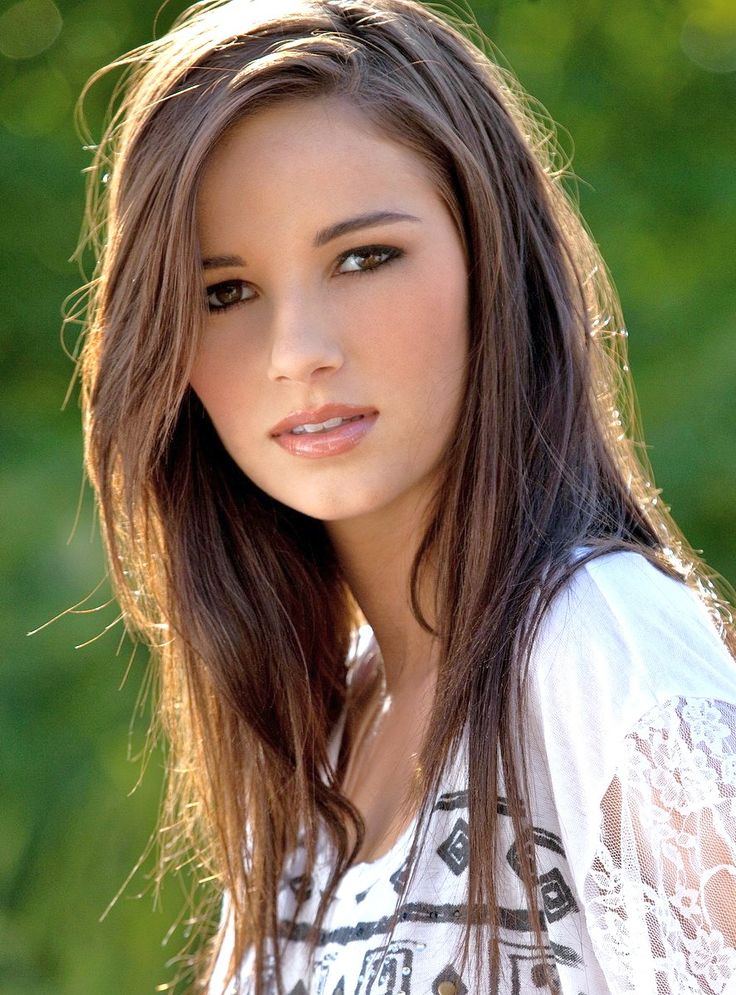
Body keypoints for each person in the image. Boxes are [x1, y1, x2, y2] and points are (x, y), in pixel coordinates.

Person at [71, 0, 736, 992]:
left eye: (364, 257)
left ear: (489, 262)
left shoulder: (602, 647)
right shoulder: (317, 722)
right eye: (224, 292)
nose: (300, 351)